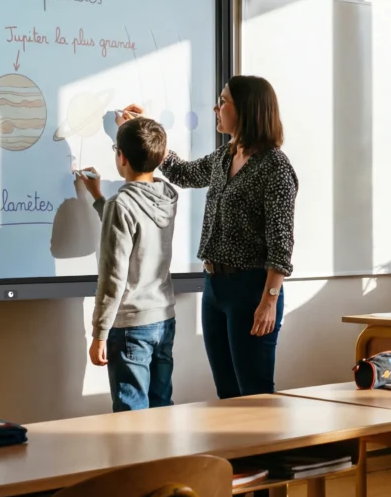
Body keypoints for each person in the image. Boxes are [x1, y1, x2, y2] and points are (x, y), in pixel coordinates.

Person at [118, 75, 298, 399]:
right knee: (228, 393)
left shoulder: (275, 168)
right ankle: (235, 452)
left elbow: (281, 243)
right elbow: (183, 173)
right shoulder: (224, 157)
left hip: (252, 290)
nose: (216, 107)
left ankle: (263, 452)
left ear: (246, 110)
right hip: (214, 287)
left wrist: (269, 301)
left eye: (223, 101)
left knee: (254, 394)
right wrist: (143, 130)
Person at [78, 117, 179, 412]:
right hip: (164, 318)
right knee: (162, 407)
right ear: (160, 158)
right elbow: (138, 233)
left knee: (131, 414)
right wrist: (99, 198)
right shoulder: (167, 196)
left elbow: (112, 278)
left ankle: (140, 461)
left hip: (132, 326)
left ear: (120, 156)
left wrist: (99, 333)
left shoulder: (120, 205)